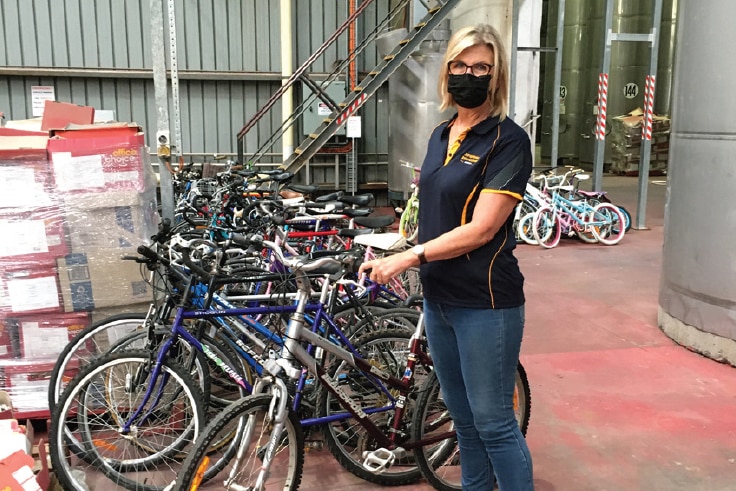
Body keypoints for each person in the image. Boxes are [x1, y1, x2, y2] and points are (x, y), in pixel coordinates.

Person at [359, 24, 534, 490]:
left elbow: (482, 228)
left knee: (494, 422)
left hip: (485, 300)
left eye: (481, 67)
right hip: (438, 299)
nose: (468, 75)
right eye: (460, 65)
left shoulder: (508, 141)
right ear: (447, 70)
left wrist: (409, 258)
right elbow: (430, 208)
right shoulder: (441, 134)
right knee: (463, 422)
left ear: (496, 77)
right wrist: (393, 248)